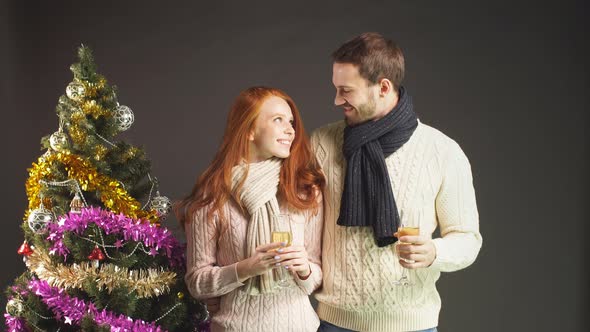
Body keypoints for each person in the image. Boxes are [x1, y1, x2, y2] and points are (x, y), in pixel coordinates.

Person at [311, 32, 483, 332]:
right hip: (335, 323)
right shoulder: (322, 144)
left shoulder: (442, 151)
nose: (337, 100)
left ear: (383, 87)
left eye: (346, 90)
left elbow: (468, 239)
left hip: (413, 326)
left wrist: (434, 252)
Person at [176, 86, 325, 332]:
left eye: (291, 121)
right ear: (249, 130)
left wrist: (305, 268)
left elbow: (316, 281)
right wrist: (246, 268)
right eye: (278, 120)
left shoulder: (305, 190)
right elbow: (197, 283)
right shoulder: (214, 195)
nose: (291, 130)